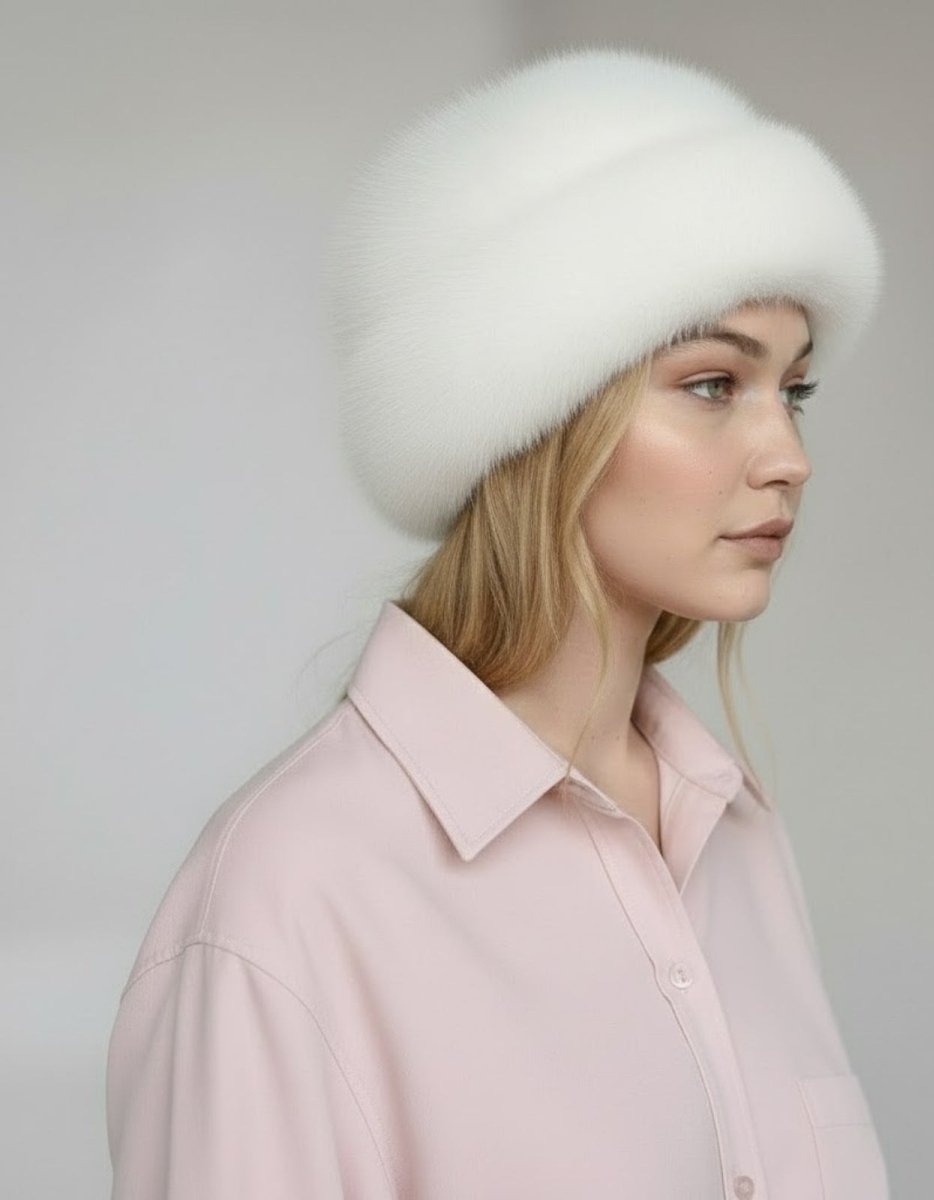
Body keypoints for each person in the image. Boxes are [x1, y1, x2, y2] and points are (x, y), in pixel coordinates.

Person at [106, 45, 888, 1199]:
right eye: (715, 384)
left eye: (796, 389)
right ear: (537, 416)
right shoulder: (290, 901)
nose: (790, 458)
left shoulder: (734, 834)